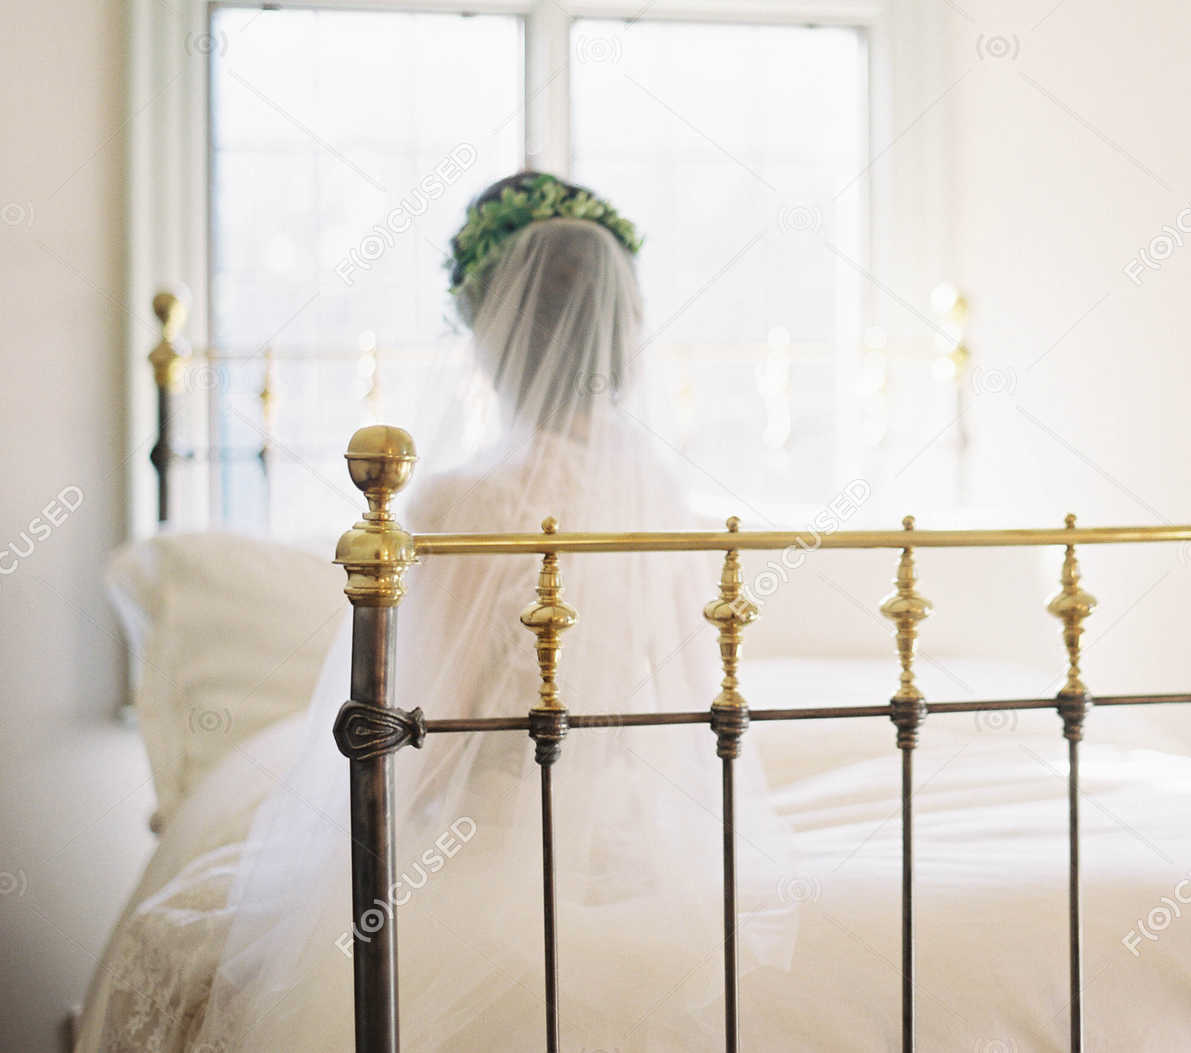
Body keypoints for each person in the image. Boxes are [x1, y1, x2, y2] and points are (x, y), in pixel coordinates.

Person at [95, 172, 794, 1050]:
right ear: (620, 334)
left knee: (195, 931)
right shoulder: (652, 483)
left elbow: (422, 729)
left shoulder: (469, 500)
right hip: (639, 847)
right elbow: (695, 702)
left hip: (498, 842)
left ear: (489, 333)